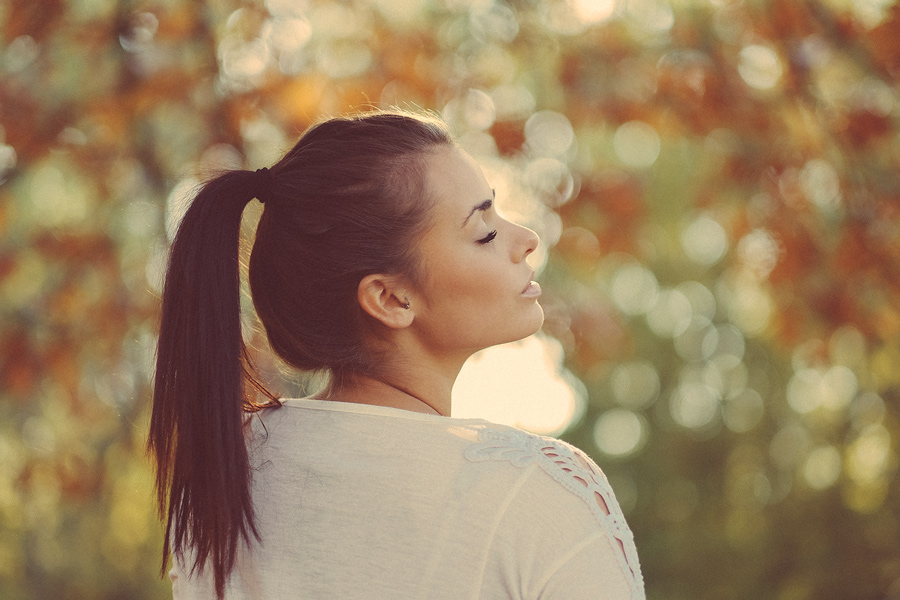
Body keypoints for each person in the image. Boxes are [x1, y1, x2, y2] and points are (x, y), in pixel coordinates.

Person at [148, 109, 644, 599]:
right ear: (390, 299)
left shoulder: (221, 476)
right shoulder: (536, 493)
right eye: (485, 232)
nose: (528, 239)